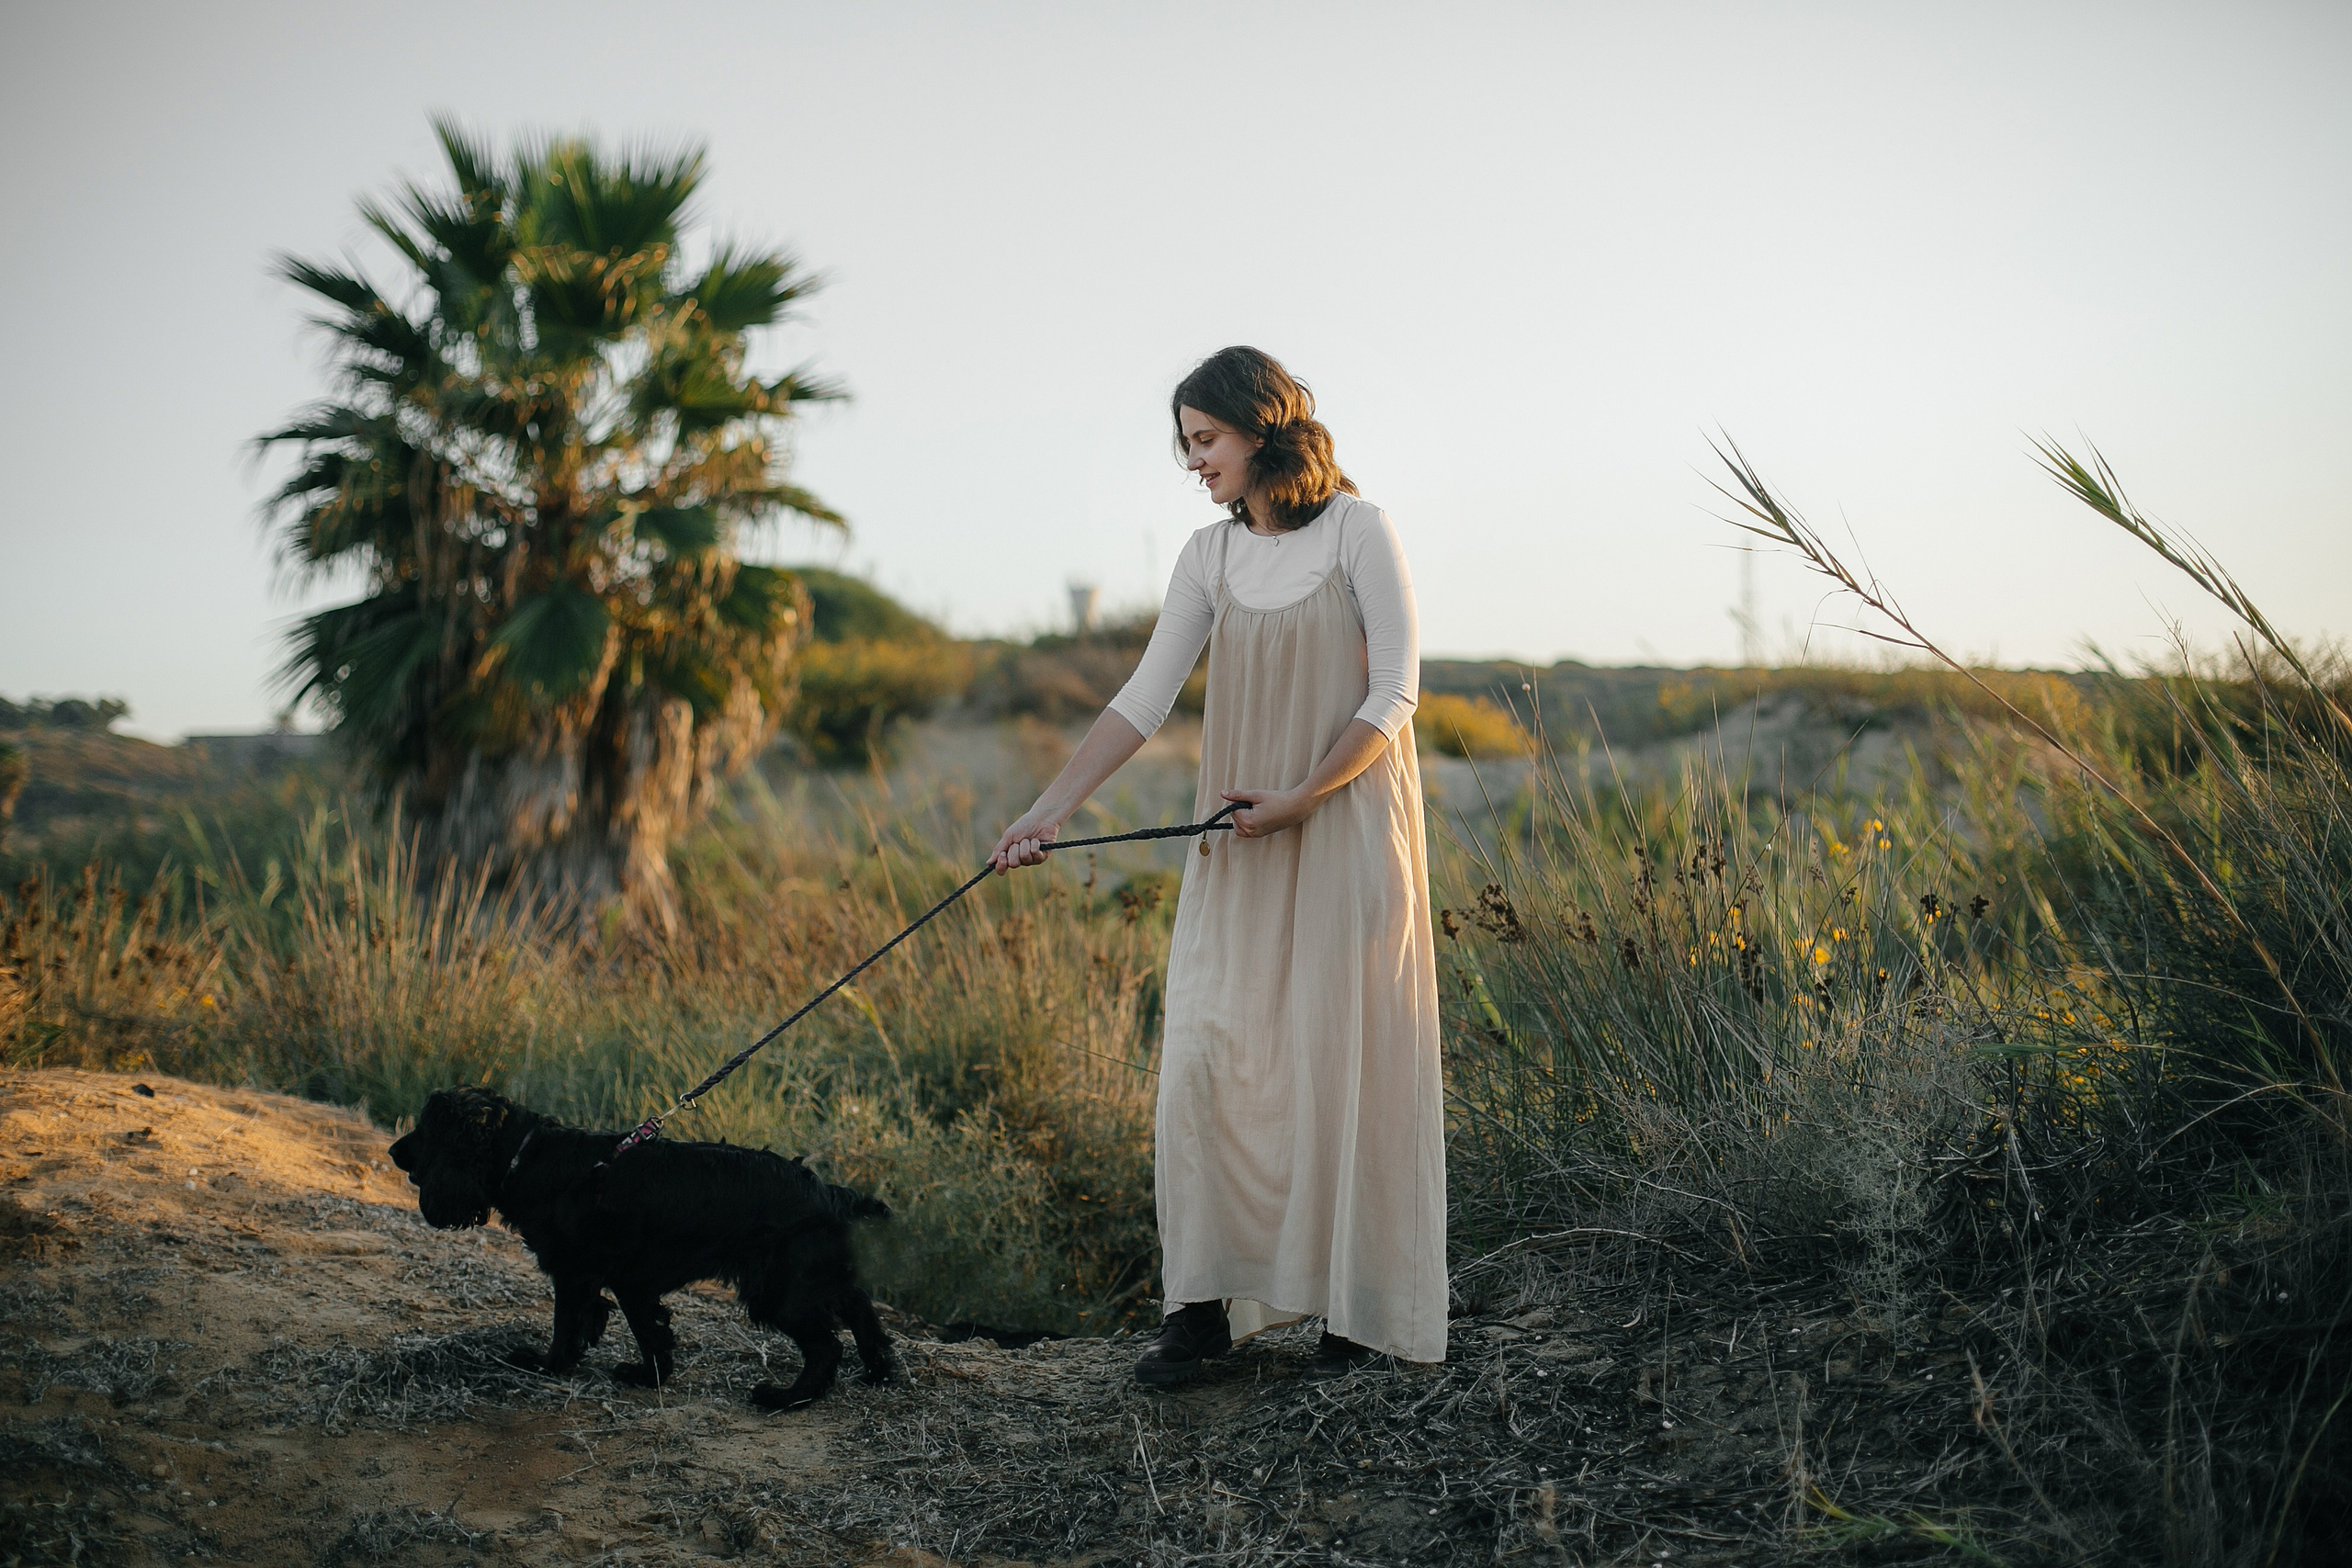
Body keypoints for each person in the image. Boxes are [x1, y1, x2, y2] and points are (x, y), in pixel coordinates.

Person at [989, 345, 1446, 1384]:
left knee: (1336, 1060)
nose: (1194, 462)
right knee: (1204, 1056)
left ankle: (1356, 1313)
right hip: (1237, 843)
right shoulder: (1207, 556)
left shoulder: (1358, 533)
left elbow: (1395, 694)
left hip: (1339, 832)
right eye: (1186, 445)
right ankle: (1200, 1312)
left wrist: (1301, 799)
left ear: (1260, 429)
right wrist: (1047, 812)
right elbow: (1142, 702)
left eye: (1205, 441)